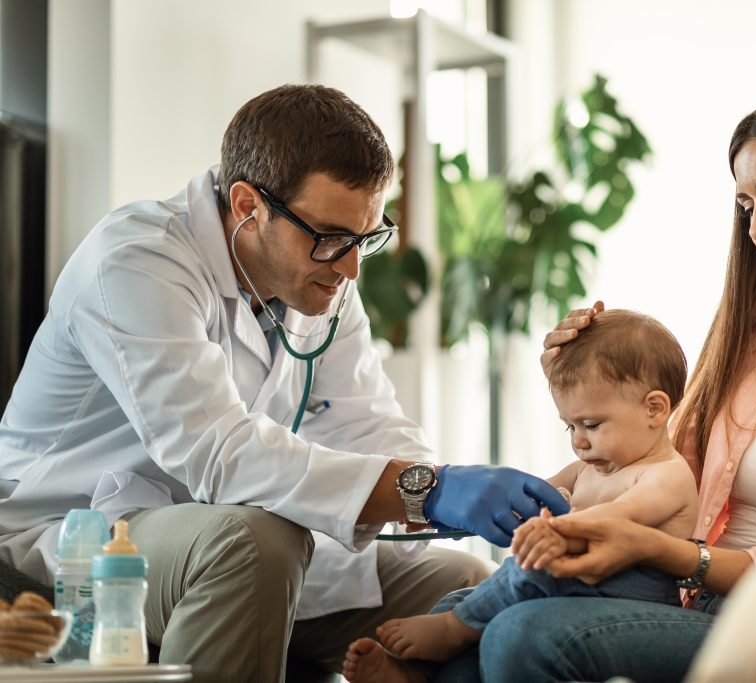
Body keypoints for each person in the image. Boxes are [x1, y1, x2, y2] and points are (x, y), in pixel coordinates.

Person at [360, 81, 756, 683]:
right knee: (464, 629)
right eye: (748, 206)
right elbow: (660, 461)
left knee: (520, 636)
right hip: (692, 600)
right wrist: (579, 380)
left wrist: (669, 554)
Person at [0, 84, 569, 683]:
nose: (350, 267)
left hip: (221, 534)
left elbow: (368, 424)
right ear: (247, 205)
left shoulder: (320, 280)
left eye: (364, 238)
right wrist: (423, 489)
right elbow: (219, 452)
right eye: (328, 237)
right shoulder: (137, 261)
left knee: (466, 589)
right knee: (255, 543)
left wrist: (440, 504)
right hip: (71, 541)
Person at [343, 309, 697, 681]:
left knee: (524, 571)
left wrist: (556, 526)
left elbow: (615, 520)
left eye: (591, 425)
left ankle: (449, 632)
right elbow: (532, 493)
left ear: (654, 409)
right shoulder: (591, 468)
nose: (578, 440)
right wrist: (451, 511)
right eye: (569, 427)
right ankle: (420, 673)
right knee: (465, 601)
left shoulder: (667, 475)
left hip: (627, 595)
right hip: (574, 584)